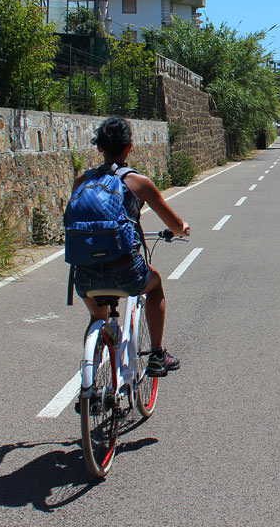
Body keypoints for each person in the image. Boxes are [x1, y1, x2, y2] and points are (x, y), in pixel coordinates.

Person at [73, 117, 190, 376]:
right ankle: (158, 355)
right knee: (156, 284)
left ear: (99, 148)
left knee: (97, 318)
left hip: (84, 274)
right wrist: (181, 229)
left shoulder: (82, 182)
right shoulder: (139, 183)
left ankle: (89, 383)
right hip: (126, 272)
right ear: (129, 148)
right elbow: (174, 223)